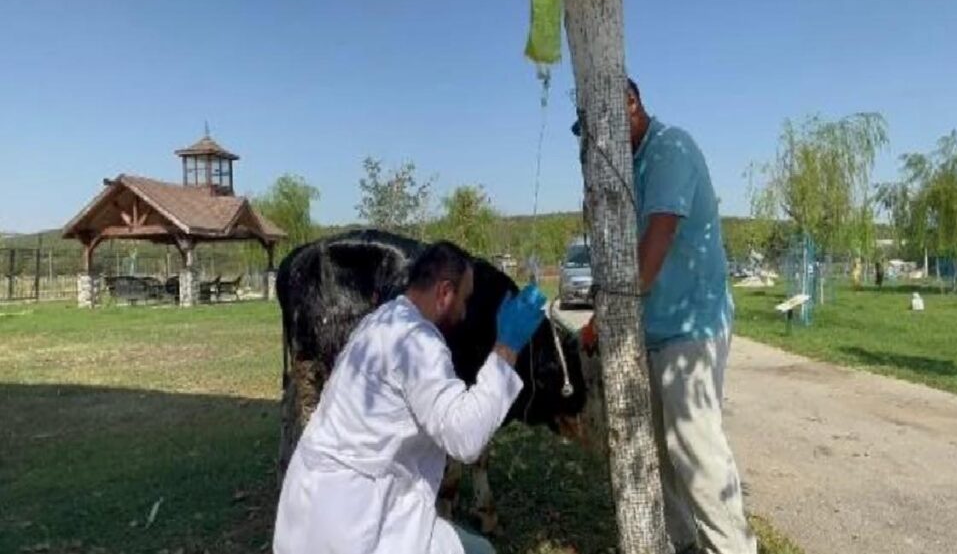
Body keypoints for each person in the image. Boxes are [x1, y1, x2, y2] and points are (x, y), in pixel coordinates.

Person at [273, 241, 548, 554]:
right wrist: (507, 346)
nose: (465, 311)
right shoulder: (418, 345)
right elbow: (466, 436)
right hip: (355, 523)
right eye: (465, 299)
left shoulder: (381, 321)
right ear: (445, 293)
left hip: (308, 508)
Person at [578, 79, 757, 554]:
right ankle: (685, 546)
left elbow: (648, 262)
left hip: (690, 326)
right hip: (651, 330)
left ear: (632, 105)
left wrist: (599, 322)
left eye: (601, 127)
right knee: (657, 454)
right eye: (587, 134)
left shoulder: (670, 149)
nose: (595, 141)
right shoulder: (624, 167)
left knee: (694, 450)